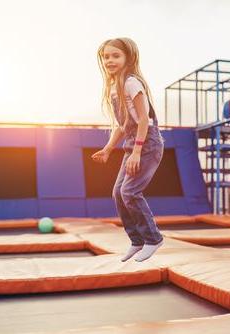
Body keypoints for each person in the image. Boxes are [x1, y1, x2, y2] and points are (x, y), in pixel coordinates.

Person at [92, 37, 165, 262]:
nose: (110, 60)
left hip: (148, 143)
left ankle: (153, 238)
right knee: (117, 192)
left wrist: (137, 151)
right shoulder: (114, 88)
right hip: (133, 143)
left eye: (116, 56)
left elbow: (144, 119)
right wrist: (107, 149)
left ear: (128, 58)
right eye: (106, 57)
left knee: (130, 192)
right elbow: (124, 126)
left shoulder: (132, 82)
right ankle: (136, 240)